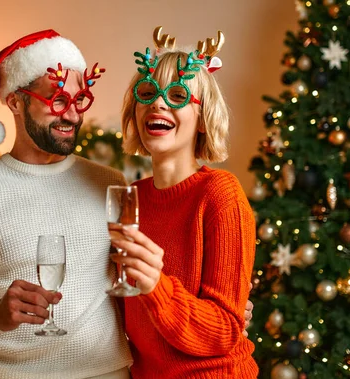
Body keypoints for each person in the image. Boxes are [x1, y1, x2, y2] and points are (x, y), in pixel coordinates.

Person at [0, 30, 134, 379]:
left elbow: (137, 280)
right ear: (16, 102)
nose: (73, 116)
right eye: (58, 100)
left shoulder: (110, 184)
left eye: (79, 100)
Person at [111, 27, 259, 378]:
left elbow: (223, 330)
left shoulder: (220, 194)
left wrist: (155, 285)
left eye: (176, 95)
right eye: (147, 93)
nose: (157, 103)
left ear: (204, 119)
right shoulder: (132, 197)